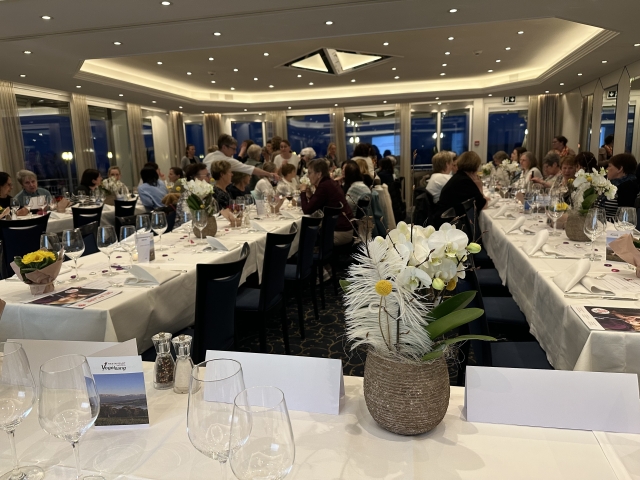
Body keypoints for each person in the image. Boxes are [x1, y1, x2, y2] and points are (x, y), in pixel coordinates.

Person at [299, 159, 354, 245]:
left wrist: (302, 192)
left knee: (305, 237)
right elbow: (317, 203)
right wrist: (309, 194)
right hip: (346, 228)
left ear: (319, 174)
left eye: (309, 173)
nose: (308, 176)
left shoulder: (324, 186)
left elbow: (307, 210)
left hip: (340, 232)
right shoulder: (329, 183)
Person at [436, 151, 487, 223]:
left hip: (443, 217)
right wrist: (479, 187)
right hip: (449, 222)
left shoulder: (459, 177)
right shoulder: (465, 181)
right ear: (476, 167)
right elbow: (483, 205)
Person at [203, 134, 279, 182]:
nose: (235, 152)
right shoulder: (227, 161)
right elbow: (251, 169)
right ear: (224, 147)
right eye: (233, 149)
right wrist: (270, 174)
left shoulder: (208, 156)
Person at [595, 153, 639, 221]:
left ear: (620, 169)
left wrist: (601, 222)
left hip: (610, 226)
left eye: (609, 166)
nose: (607, 169)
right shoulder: (611, 183)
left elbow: (624, 218)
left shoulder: (628, 187)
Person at [210, 160, 239, 226]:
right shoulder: (217, 193)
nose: (232, 174)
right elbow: (224, 215)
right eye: (229, 172)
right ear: (222, 174)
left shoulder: (227, 189)